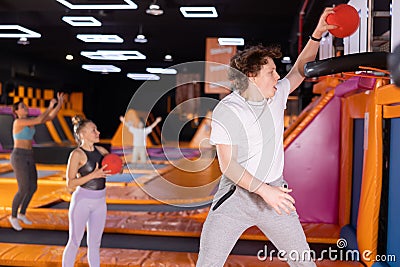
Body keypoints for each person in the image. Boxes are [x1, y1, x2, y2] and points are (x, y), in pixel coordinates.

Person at [196, 8, 337, 267]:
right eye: (271, 71)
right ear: (251, 76)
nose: (277, 76)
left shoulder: (276, 95)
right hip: (236, 197)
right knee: (208, 263)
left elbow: (299, 70)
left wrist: (316, 34)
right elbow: (229, 166)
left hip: (274, 191)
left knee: (304, 262)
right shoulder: (228, 110)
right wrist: (265, 192)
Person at [8, 92, 64, 231]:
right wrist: (50, 106)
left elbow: (49, 117)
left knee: (33, 187)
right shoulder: (18, 122)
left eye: (25, 106)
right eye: (22, 107)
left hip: (29, 155)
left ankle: (22, 213)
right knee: (23, 188)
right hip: (19, 156)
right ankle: (13, 216)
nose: (25, 108)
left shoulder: (30, 121)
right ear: (16, 111)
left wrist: (59, 104)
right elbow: (40, 119)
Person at [62, 116, 111, 267]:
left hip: (100, 203)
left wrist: (117, 166)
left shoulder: (102, 151)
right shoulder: (76, 154)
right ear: (82, 134)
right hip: (82, 202)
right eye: (93, 130)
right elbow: (70, 184)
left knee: (95, 244)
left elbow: (115, 167)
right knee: (74, 241)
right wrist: (93, 175)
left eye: (96, 129)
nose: (98, 132)